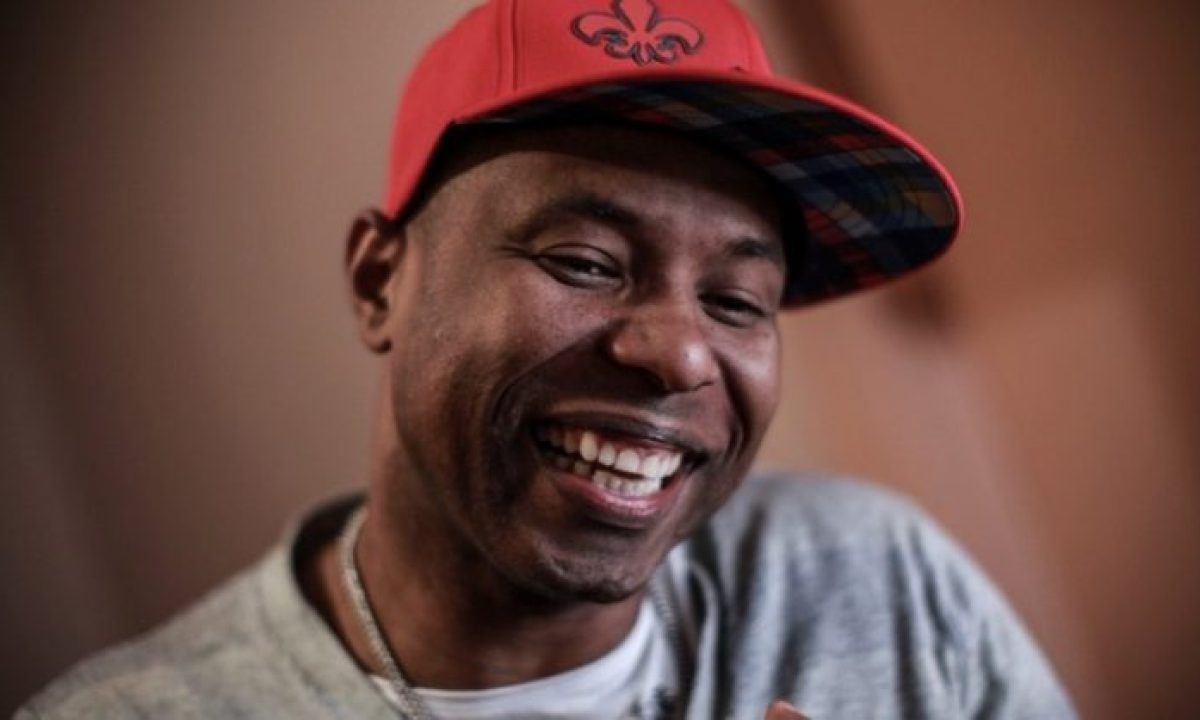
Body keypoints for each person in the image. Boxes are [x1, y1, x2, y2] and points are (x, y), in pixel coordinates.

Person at [17, 1, 1076, 718]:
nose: (679, 354)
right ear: (380, 282)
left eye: (736, 301)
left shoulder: (879, 578)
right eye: (584, 261)